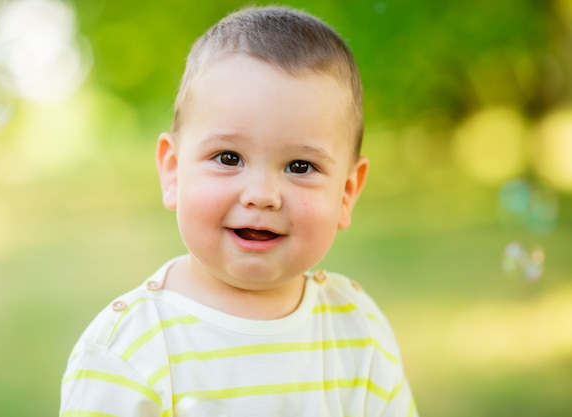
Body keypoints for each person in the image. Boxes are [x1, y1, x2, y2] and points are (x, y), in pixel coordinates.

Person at [60, 6, 418, 417]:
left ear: (346, 192)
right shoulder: (131, 348)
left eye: (300, 167)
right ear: (174, 172)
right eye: (228, 157)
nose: (262, 195)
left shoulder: (358, 331)